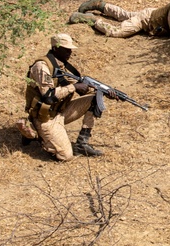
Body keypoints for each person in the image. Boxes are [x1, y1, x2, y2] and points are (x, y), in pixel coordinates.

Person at [18, 32, 115, 160]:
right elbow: (48, 95)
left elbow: (81, 88)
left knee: (95, 99)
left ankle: (82, 144)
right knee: (65, 156)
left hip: (61, 111)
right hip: (45, 117)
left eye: (70, 49)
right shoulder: (42, 67)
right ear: (55, 48)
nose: (70, 52)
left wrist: (104, 91)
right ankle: (33, 131)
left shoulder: (61, 65)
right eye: (66, 49)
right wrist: (73, 87)